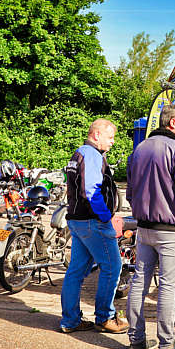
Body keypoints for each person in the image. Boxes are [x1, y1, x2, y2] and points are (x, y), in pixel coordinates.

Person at [126, 105, 175, 349]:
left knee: (139, 282)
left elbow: (130, 191)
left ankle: (136, 339)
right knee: (167, 287)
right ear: (173, 123)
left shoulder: (140, 149)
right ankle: (167, 346)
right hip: (171, 230)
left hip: (144, 227)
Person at [61, 119, 126, 335]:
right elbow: (91, 191)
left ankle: (70, 320)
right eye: (110, 137)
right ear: (96, 135)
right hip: (92, 221)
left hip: (77, 220)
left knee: (76, 271)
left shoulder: (78, 153)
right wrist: (106, 217)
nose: (113, 142)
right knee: (112, 266)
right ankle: (105, 318)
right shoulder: (91, 154)